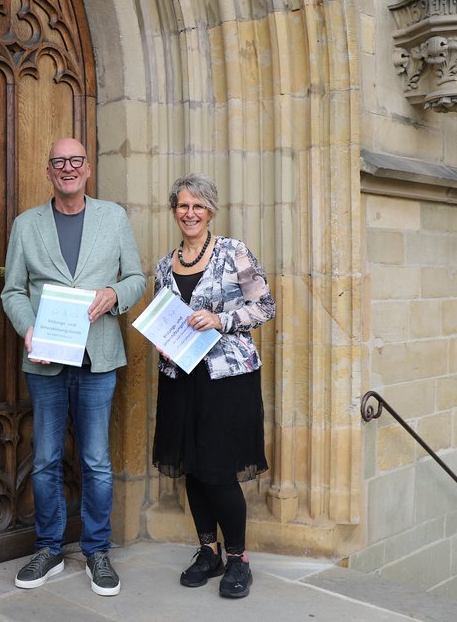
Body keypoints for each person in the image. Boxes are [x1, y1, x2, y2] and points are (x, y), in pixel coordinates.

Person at [0, 138, 145, 597]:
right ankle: (49, 549)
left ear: (86, 170)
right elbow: (13, 291)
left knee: (97, 461)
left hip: (97, 357)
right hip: (44, 359)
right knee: (44, 460)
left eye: (76, 161)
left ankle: (97, 550)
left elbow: (137, 278)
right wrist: (27, 329)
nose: (68, 168)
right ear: (49, 172)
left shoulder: (113, 218)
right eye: (59, 162)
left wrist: (115, 295)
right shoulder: (27, 224)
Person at [150, 173, 275, 599]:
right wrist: (162, 347)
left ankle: (238, 559)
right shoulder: (165, 265)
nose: (190, 213)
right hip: (180, 379)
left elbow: (265, 306)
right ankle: (209, 551)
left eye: (198, 206)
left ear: (210, 211)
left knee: (219, 471)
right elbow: (162, 321)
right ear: (174, 211)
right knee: (192, 469)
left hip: (227, 378)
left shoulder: (232, 251)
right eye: (183, 206)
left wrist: (222, 320)